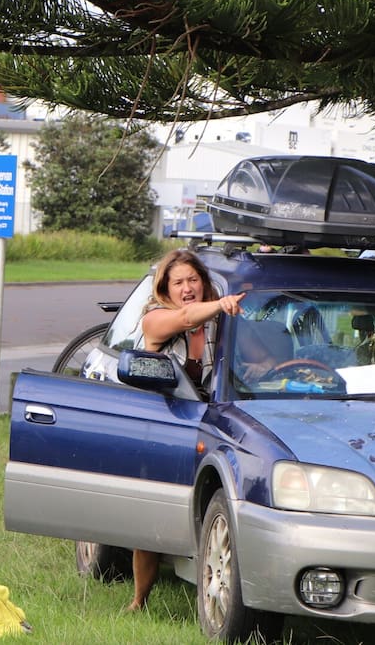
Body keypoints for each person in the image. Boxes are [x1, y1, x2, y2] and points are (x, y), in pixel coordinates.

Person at [128, 248, 245, 612]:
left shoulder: (221, 322)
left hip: (209, 425)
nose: (187, 287)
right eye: (178, 282)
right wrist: (219, 304)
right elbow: (182, 317)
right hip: (162, 422)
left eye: (193, 280)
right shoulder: (154, 318)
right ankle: (139, 599)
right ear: (166, 287)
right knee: (149, 519)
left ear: (203, 282)